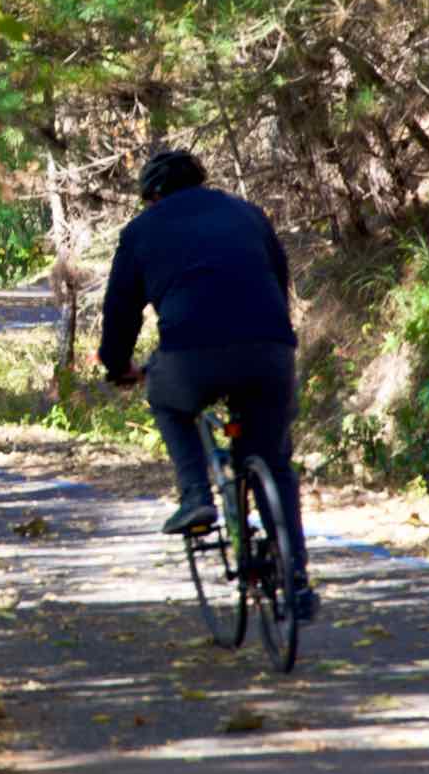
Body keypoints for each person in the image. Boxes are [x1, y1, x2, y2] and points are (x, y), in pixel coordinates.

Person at [98, 148, 315, 620]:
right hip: (269, 350)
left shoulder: (141, 229)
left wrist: (117, 366)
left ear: (152, 195)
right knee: (274, 462)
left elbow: (119, 311)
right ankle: (296, 582)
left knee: (166, 397)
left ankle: (196, 494)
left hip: (191, 353)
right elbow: (279, 282)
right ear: (201, 180)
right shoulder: (247, 213)